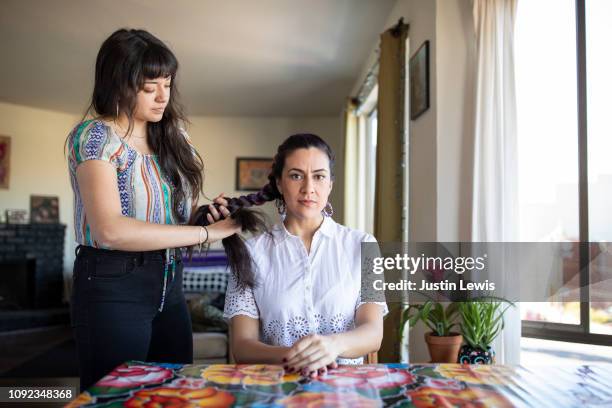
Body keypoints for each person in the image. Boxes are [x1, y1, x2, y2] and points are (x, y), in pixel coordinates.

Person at [66, 28, 239, 390]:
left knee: (173, 393)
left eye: (168, 83)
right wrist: (206, 233)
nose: (163, 96)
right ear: (118, 84)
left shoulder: (174, 138)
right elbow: (110, 230)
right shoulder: (95, 137)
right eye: (150, 87)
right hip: (113, 286)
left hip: (169, 284)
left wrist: (207, 216)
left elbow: (173, 220)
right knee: (114, 396)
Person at [216, 134, 387, 379]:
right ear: (278, 183)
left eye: (319, 176)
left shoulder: (364, 245)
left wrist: (333, 346)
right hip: (275, 389)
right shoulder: (250, 253)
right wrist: (296, 355)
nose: (309, 188)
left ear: (330, 184)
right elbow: (243, 345)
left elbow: (373, 333)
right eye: (296, 175)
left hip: (348, 390)